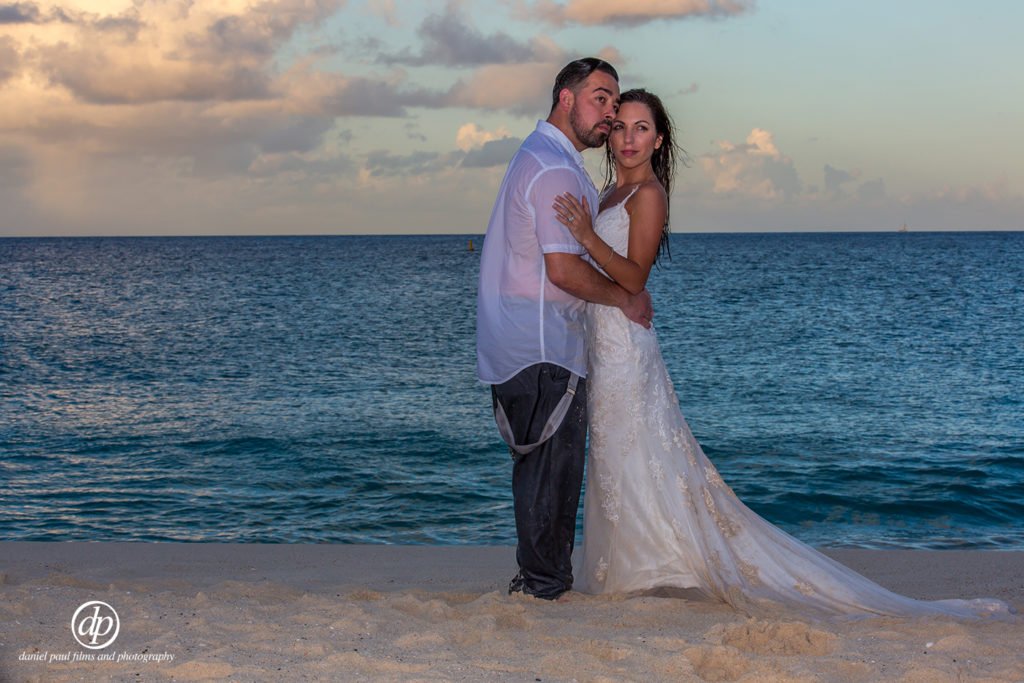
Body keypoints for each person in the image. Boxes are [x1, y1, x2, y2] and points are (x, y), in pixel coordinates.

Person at [551, 88, 1011, 618]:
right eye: (622, 126)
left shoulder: (648, 195)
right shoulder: (606, 192)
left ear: (659, 140)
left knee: (637, 450)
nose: (629, 138)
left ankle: (650, 570)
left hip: (627, 347)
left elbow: (634, 277)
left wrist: (586, 234)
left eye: (642, 128)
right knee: (616, 455)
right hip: (601, 343)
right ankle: (629, 566)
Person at [476, 59, 653, 601]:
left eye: (614, 103)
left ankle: (536, 581)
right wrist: (625, 298)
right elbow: (562, 268)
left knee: (540, 472)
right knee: (552, 474)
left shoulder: (543, 157)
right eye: (600, 100)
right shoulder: (553, 167)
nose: (609, 114)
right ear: (565, 98)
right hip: (545, 346)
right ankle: (543, 587)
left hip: (526, 344)